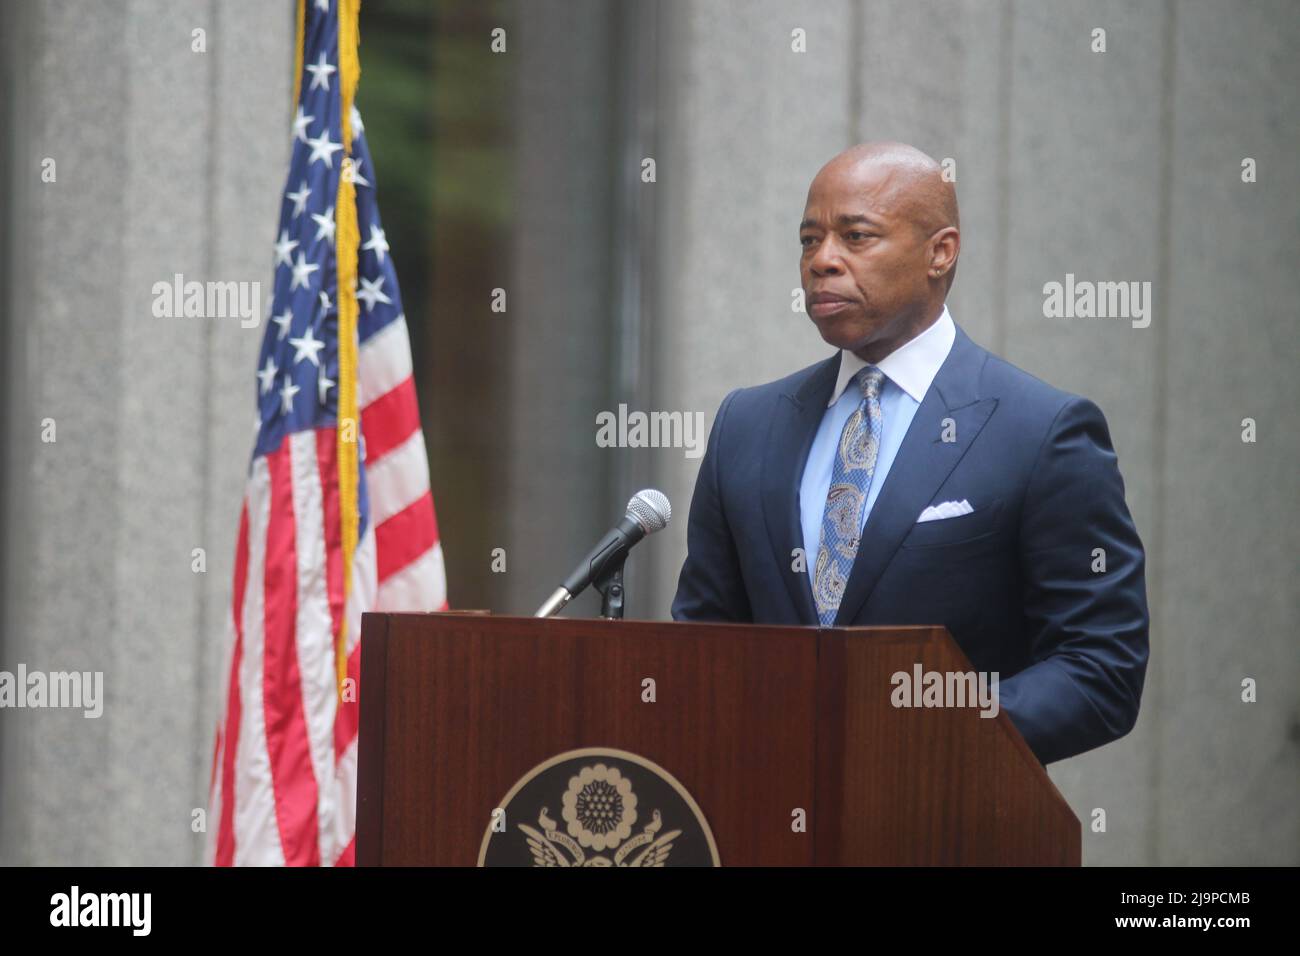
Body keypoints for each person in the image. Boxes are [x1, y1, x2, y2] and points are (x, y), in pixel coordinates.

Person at [671, 141, 1149, 765]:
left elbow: (1101, 668)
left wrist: (917, 734)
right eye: (809, 240)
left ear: (940, 252)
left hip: (946, 819)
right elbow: (702, 645)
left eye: (856, 236)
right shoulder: (747, 425)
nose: (823, 261)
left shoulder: (1041, 431)